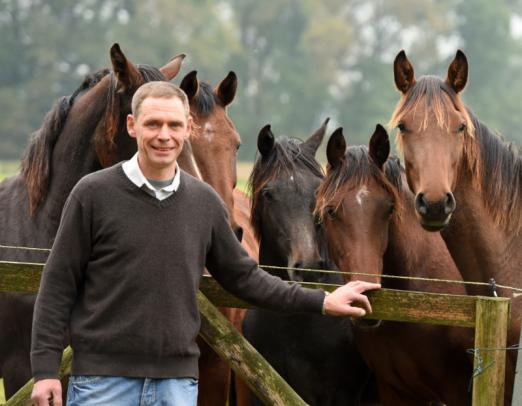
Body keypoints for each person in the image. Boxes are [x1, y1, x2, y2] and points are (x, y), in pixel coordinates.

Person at [30, 81, 380, 406]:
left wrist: (323, 300)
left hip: (176, 386)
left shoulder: (205, 203)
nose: (164, 136)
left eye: (174, 125)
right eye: (153, 124)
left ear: (188, 129)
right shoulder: (92, 194)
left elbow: (246, 279)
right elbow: (58, 284)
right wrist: (46, 371)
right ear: (132, 125)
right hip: (102, 383)